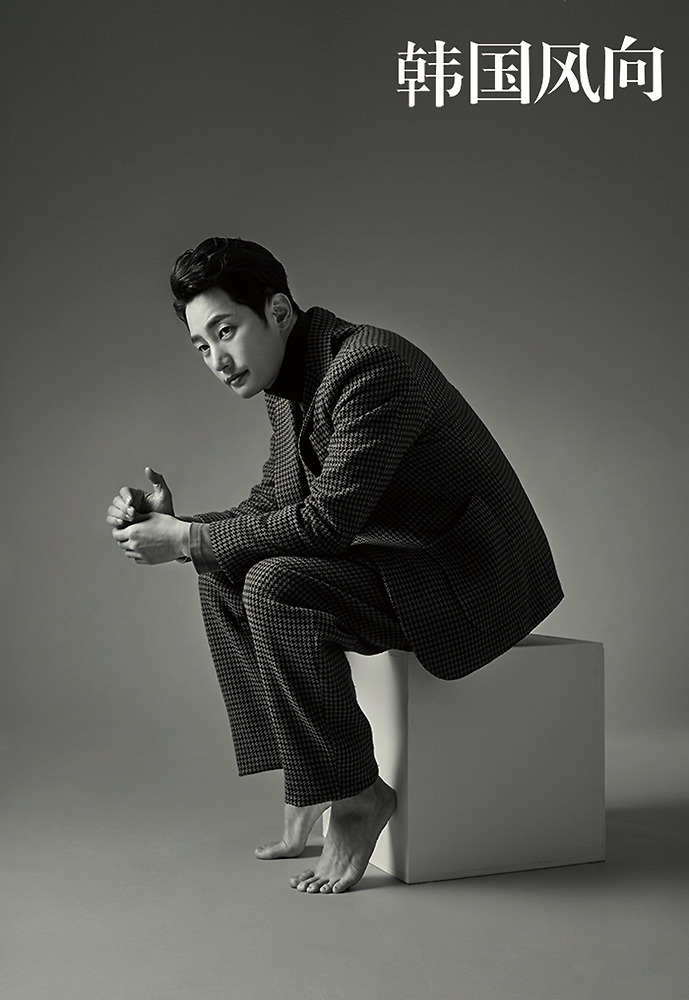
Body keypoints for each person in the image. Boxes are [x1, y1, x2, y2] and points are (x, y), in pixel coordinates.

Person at [107, 236, 563, 894]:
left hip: (474, 578)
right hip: (403, 557)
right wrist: (180, 526)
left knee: (273, 585)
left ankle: (356, 795)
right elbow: (275, 503)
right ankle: (310, 780)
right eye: (201, 346)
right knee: (224, 576)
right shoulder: (288, 384)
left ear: (278, 311)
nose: (217, 360)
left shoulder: (369, 364)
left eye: (226, 331)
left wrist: (185, 540)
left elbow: (324, 524)